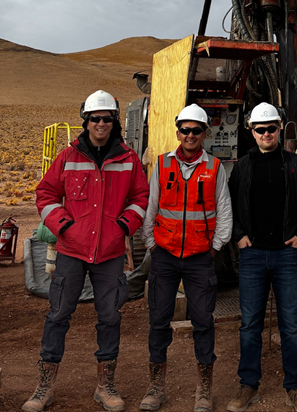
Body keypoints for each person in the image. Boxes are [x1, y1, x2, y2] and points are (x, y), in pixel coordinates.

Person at [24, 90, 149, 412]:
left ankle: (105, 386)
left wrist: (123, 227)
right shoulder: (68, 157)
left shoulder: (128, 159)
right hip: (71, 251)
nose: (101, 124)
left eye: (107, 118)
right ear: (86, 120)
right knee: (58, 315)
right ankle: (45, 386)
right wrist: (64, 226)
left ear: (114, 121)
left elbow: (140, 198)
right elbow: (45, 194)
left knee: (110, 317)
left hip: (109, 254)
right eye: (95, 118)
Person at [140, 103, 232, 412]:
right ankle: (156, 387)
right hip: (164, 256)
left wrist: (215, 247)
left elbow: (224, 210)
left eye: (196, 130)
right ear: (178, 132)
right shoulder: (162, 164)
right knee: (159, 320)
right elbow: (151, 206)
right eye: (185, 130)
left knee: (203, 321)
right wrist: (151, 243)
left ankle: (204, 389)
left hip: (199, 257)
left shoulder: (215, 168)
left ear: (205, 133)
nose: (190, 135)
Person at [226, 102, 297, 412]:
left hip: (287, 256)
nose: (266, 133)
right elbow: (230, 204)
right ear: (251, 132)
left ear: (280, 129)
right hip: (252, 256)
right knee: (250, 325)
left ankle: (294, 389)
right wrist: (239, 235)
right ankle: (248, 386)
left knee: (291, 326)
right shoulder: (242, 167)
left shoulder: (296, 165)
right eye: (260, 129)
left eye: (272, 128)